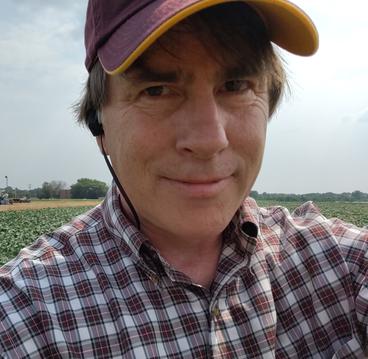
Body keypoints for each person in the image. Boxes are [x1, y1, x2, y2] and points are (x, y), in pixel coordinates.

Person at [0, 0, 367, 357]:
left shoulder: (338, 264)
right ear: (100, 125)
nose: (210, 140)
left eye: (236, 85)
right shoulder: (27, 312)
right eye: (156, 90)